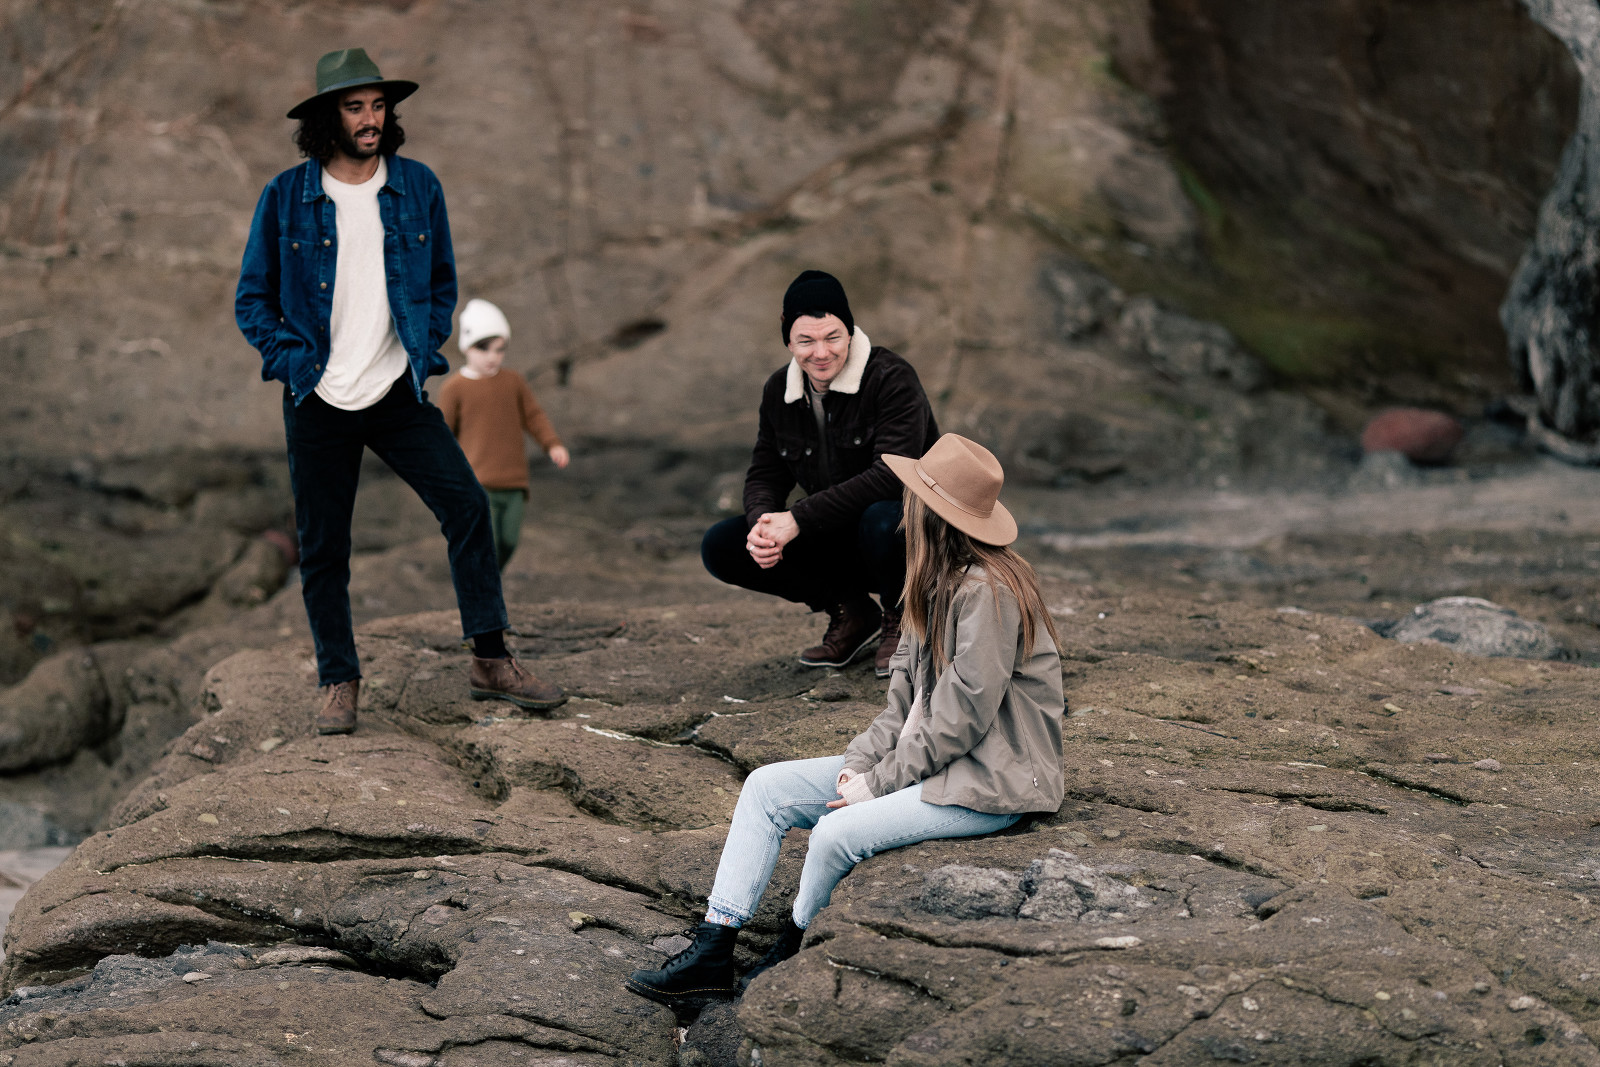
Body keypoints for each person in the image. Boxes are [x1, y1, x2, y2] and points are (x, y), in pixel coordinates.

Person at [628, 434, 1064, 1006]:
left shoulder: (990, 592)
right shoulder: (928, 581)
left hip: (990, 780)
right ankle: (714, 947)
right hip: (936, 762)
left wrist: (879, 784)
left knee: (834, 834)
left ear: (933, 514)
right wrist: (860, 765)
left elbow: (963, 717)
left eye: (913, 496)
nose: (902, 506)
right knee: (765, 788)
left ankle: (793, 948)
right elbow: (903, 707)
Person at [234, 48, 565, 735]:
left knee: (467, 505)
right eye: (355, 107)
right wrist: (295, 364)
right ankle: (339, 679)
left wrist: (424, 341)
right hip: (316, 396)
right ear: (327, 118)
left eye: (379, 106)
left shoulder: (418, 186)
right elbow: (251, 300)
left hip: (397, 390)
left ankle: (490, 659)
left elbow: (441, 283)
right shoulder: (285, 196)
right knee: (324, 547)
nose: (371, 119)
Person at [701, 270, 940, 676]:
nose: (821, 352)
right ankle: (851, 610)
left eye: (833, 337)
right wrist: (763, 524)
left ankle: (903, 617)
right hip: (836, 531)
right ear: (788, 341)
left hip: (909, 539)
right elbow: (765, 471)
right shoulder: (779, 390)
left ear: (849, 332)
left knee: (883, 518)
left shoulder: (890, 377)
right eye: (806, 341)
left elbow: (893, 474)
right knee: (723, 544)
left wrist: (797, 518)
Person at [438, 298, 571, 571]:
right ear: (466, 347)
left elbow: (533, 416)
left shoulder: (513, 382)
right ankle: (482, 585)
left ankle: (485, 583)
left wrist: (552, 444)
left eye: (499, 349)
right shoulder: (454, 388)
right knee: (490, 542)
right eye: (483, 348)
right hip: (478, 484)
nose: (492, 357)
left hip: (514, 482)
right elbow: (443, 436)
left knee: (509, 541)